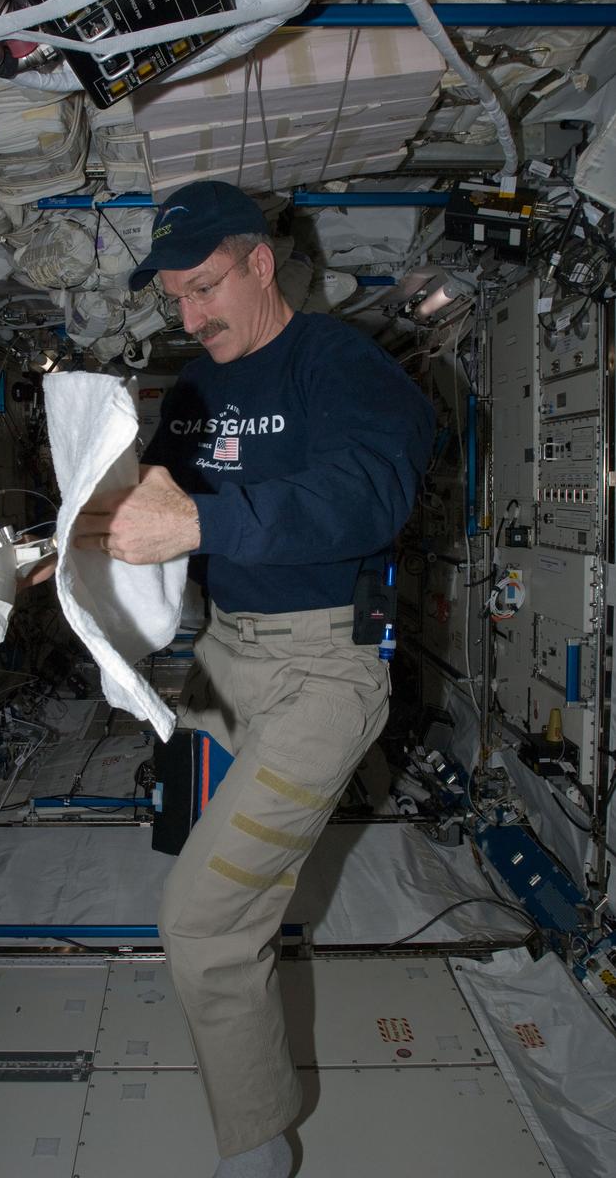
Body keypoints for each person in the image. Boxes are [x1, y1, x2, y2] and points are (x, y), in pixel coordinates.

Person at [74, 180, 435, 1178]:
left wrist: (198, 524)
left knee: (200, 921)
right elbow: (143, 505)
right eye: (173, 299)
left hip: (323, 671)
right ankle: (236, 948)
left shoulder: (339, 365)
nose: (188, 317)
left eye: (203, 288)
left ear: (259, 262)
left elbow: (366, 492)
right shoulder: (192, 393)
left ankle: (260, 1143)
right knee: (188, 839)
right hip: (225, 652)